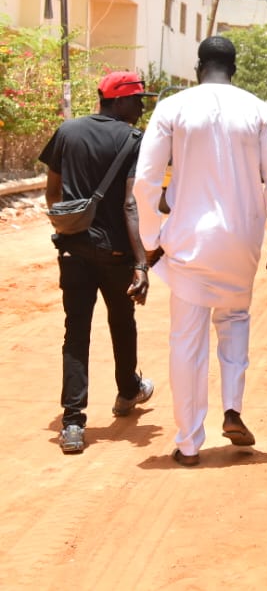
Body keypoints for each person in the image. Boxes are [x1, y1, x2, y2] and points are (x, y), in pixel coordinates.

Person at [133, 37, 267, 467]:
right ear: (234, 66)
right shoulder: (260, 110)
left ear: (198, 65)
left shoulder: (173, 107)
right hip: (241, 239)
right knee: (235, 318)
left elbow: (145, 182)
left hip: (187, 241)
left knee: (186, 340)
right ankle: (232, 408)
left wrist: (150, 241)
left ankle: (188, 443)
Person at [39, 71, 156, 454]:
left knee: (76, 332)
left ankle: (72, 423)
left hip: (73, 250)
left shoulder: (67, 131)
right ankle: (127, 393)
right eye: (138, 99)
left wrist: (71, 228)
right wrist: (141, 263)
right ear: (119, 100)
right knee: (122, 322)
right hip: (116, 253)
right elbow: (129, 203)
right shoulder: (133, 140)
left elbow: (52, 192)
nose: (142, 107)